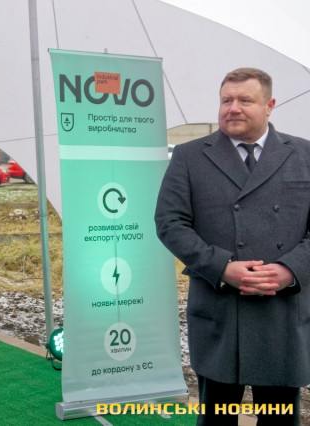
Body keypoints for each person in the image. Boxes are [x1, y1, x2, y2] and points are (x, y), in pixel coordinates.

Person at [155, 68, 310, 425]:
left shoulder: (304, 154)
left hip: (283, 311)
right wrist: (221, 267)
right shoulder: (190, 156)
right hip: (221, 308)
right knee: (217, 417)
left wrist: (289, 270)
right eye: (226, 100)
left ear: (269, 105)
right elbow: (170, 223)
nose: (233, 108)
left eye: (245, 100)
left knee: (279, 417)